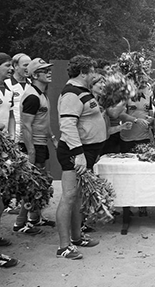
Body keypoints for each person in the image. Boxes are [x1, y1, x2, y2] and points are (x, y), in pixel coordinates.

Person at [55, 55, 107, 260]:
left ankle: (76, 237)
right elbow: (67, 125)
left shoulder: (83, 91)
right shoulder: (71, 93)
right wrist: (79, 154)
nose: (95, 74)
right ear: (83, 73)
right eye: (92, 71)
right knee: (69, 196)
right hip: (74, 152)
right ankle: (63, 247)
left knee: (77, 197)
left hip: (86, 151)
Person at [13, 58, 57, 235]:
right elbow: (26, 125)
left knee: (42, 182)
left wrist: (52, 138)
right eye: (44, 70)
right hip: (33, 145)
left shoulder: (41, 94)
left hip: (41, 143)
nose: (49, 72)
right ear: (35, 75)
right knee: (32, 184)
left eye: (49, 69)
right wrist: (30, 150)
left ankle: (35, 218)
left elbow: (43, 121)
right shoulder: (32, 96)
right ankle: (20, 223)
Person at [0, 52, 18, 268]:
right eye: (7, 65)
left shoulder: (7, 90)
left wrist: (12, 141)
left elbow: (11, 117)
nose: (11, 69)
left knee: (4, 196)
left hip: (4, 148)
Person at [5, 53, 31, 143]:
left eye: (30, 65)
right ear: (15, 66)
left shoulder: (32, 84)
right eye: (25, 65)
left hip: (29, 135)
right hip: (11, 136)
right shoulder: (6, 84)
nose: (28, 68)